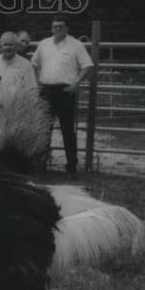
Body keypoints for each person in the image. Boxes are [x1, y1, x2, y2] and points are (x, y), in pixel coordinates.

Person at [31, 16, 93, 177]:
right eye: (55, 27)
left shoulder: (76, 45)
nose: (57, 29)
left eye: (60, 26)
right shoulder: (44, 44)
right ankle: (40, 166)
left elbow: (87, 66)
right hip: (46, 91)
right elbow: (34, 63)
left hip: (66, 91)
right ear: (51, 28)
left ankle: (71, 167)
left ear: (67, 28)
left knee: (68, 131)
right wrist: (37, 83)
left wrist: (75, 84)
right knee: (44, 130)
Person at [0, 31, 38, 147]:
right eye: (5, 44)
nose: (8, 47)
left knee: (10, 143)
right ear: (1, 46)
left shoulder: (25, 64)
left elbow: (32, 90)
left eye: (11, 44)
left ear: (16, 46)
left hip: (13, 110)